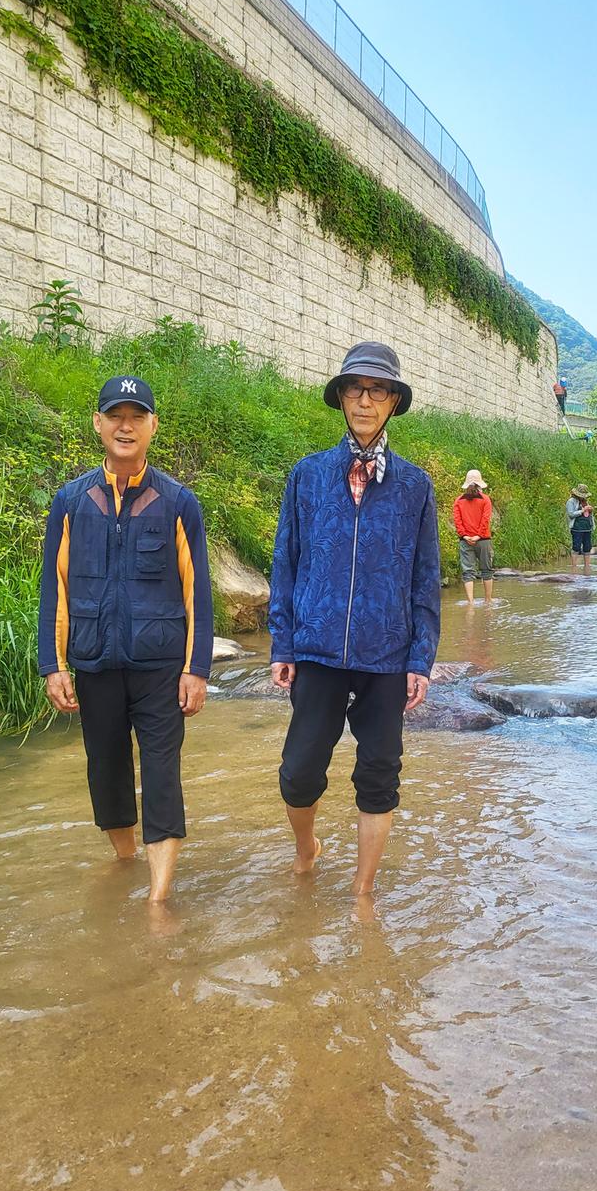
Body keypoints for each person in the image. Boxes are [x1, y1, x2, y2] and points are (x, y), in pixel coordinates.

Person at [269, 342, 441, 897]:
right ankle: (306, 850)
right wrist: (282, 642)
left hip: (387, 652)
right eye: (354, 389)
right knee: (298, 773)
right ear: (341, 397)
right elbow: (287, 561)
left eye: (377, 390)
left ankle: (363, 893)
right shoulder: (309, 475)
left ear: (393, 401)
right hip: (316, 647)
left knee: (378, 776)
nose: (365, 400)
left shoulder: (415, 486)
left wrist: (421, 658)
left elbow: (424, 577)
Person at [38, 376, 213, 904]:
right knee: (107, 770)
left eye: (137, 417)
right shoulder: (70, 502)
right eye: (116, 415)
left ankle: (158, 899)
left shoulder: (178, 502)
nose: (126, 426)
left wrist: (197, 668)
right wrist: (53, 664)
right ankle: (126, 861)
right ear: (98, 423)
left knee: (162, 773)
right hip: (94, 663)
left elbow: (196, 593)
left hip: (160, 667)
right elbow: (55, 587)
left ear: (152, 427)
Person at [453, 470, 494, 606]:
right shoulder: (486, 499)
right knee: (486, 570)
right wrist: (478, 536)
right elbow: (485, 520)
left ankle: (470, 603)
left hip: (465, 541)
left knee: (468, 572)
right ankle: (488, 601)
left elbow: (457, 522)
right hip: (483, 540)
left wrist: (465, 535)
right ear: (479, 485)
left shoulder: (458, 501)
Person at [566, 483, 595, 572]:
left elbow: (590, 515)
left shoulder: (585, 502)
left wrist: (590, 510)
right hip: (576, 528)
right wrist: (582, 511)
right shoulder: (571, 501)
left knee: (587, 547)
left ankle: (587, 567)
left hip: (587, 528)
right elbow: (571, 514)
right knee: (576, 547)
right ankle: (574, 567)